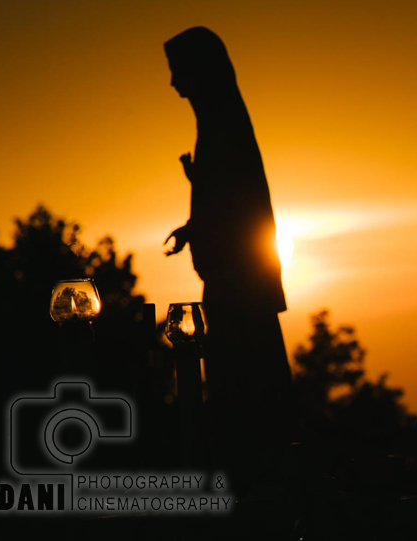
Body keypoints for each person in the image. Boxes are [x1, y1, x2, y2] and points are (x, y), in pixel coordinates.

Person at [163, 27, 294, 492]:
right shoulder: (220, 126)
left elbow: (238, 203)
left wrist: (203, 215)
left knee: (248, 395)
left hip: (238, 288)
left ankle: (259, 492)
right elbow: (228, 199)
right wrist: (194, 225)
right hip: (235, 283)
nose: (174, 84)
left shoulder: (223, 127)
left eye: (179, 72)